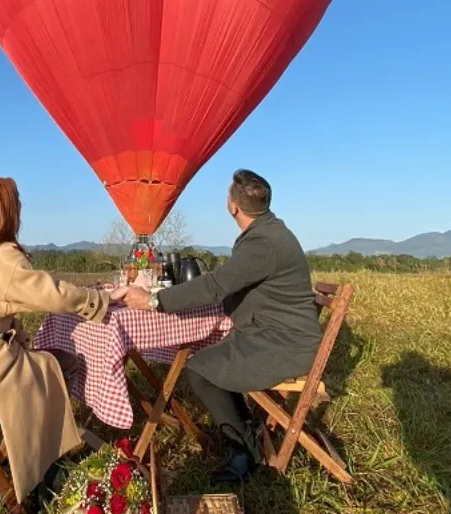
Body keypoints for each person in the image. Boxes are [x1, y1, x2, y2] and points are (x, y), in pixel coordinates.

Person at [118, 170, 321, 483]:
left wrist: (153, 301)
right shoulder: (269, 233)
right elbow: (225, 283)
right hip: (271, 334)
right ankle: (245, 430)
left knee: (199, 369)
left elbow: (217, 285)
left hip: (284, 345)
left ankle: (244, 451)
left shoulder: (263, 243)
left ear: (233, 207)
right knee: (211, 360)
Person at [0, 177, 114, 506]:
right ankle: (42, 467)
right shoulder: (5, 257)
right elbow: (53, 294)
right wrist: (98, 299)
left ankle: (7, 442)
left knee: (47, 362)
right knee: (55, 365)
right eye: (17, 202)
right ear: (11, 210)